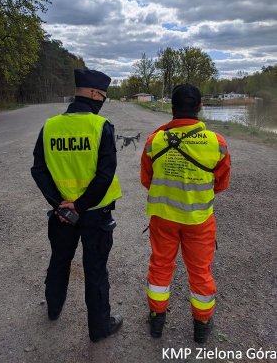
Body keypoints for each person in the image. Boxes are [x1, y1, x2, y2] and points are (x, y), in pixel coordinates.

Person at [31, 68, 123, 342]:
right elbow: (105, 174)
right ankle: (99, 328)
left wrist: (61, 205)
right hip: (94, 214)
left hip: (62, 215)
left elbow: (39, 170)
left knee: (59, 260)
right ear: (95, 94)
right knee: (95, 270)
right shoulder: (101, 127)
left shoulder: (49, 127)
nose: (103, 100)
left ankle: (54, 309)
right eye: (103, 96)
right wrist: (80, 205)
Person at [140, 83, 231, 343]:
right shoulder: (217, 143)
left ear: (172, 108)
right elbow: (221, 184)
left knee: (160, 266)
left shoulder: (154, 141)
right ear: (200, 107)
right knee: (200, 272)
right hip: (199, 222)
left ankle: (157, 321)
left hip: (163, 219)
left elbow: (147, 180)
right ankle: (201, 325)